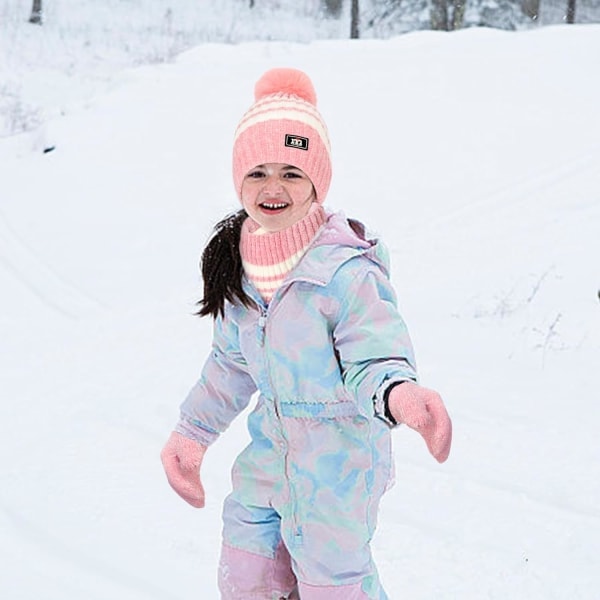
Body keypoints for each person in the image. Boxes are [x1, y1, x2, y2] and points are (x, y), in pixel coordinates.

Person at [161, 67, 452, 600]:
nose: (273, 189)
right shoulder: (241, 268)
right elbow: (230, 364)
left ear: (318, 181)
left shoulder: (346, 273)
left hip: (338, 470)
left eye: (292, 173)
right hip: (269, 458)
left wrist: (400, 393)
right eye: (258, 173)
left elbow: (376, 355)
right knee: (246, 574)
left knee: (331, 586)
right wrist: (192, 434)